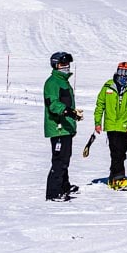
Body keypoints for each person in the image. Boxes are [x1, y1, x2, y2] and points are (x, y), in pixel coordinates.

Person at [94, 61, 127, 190]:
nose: (123, 74)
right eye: (120, 71)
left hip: (124, 125)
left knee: (120, 152)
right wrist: (97, 122)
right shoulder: (108, 86)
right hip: (111, 124)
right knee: (115, 152)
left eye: (125, 72)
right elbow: (100, 105)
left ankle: (116, 177)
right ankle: (116, 178)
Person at [44, 51, 82, 201]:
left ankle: (64, 186)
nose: (66, 67)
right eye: (62, 64)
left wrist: (73, 114)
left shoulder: (63, 81)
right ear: (55, 65)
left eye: (67, 64)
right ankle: (54, 193)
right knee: (59, 160)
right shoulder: (52, 82)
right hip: (58, 127)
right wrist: (67, 111)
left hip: (66, 127)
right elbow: (53, 104)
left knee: (65, 158)